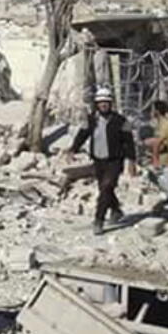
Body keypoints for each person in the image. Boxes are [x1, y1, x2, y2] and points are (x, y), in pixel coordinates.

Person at [67, 87, 137, 235]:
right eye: (101, 102)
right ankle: (116, 210)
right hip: (98, 160)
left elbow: (129, 142)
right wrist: (73, 149)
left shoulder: (121, 121)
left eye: (106, 102)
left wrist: (131, 161)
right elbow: (83, 134)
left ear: (110, 103)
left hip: (115, 160)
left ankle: (98, 220)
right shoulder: (91, 120)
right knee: (106, 189)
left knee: (106, 187)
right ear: (97, 104)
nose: (104, 105)